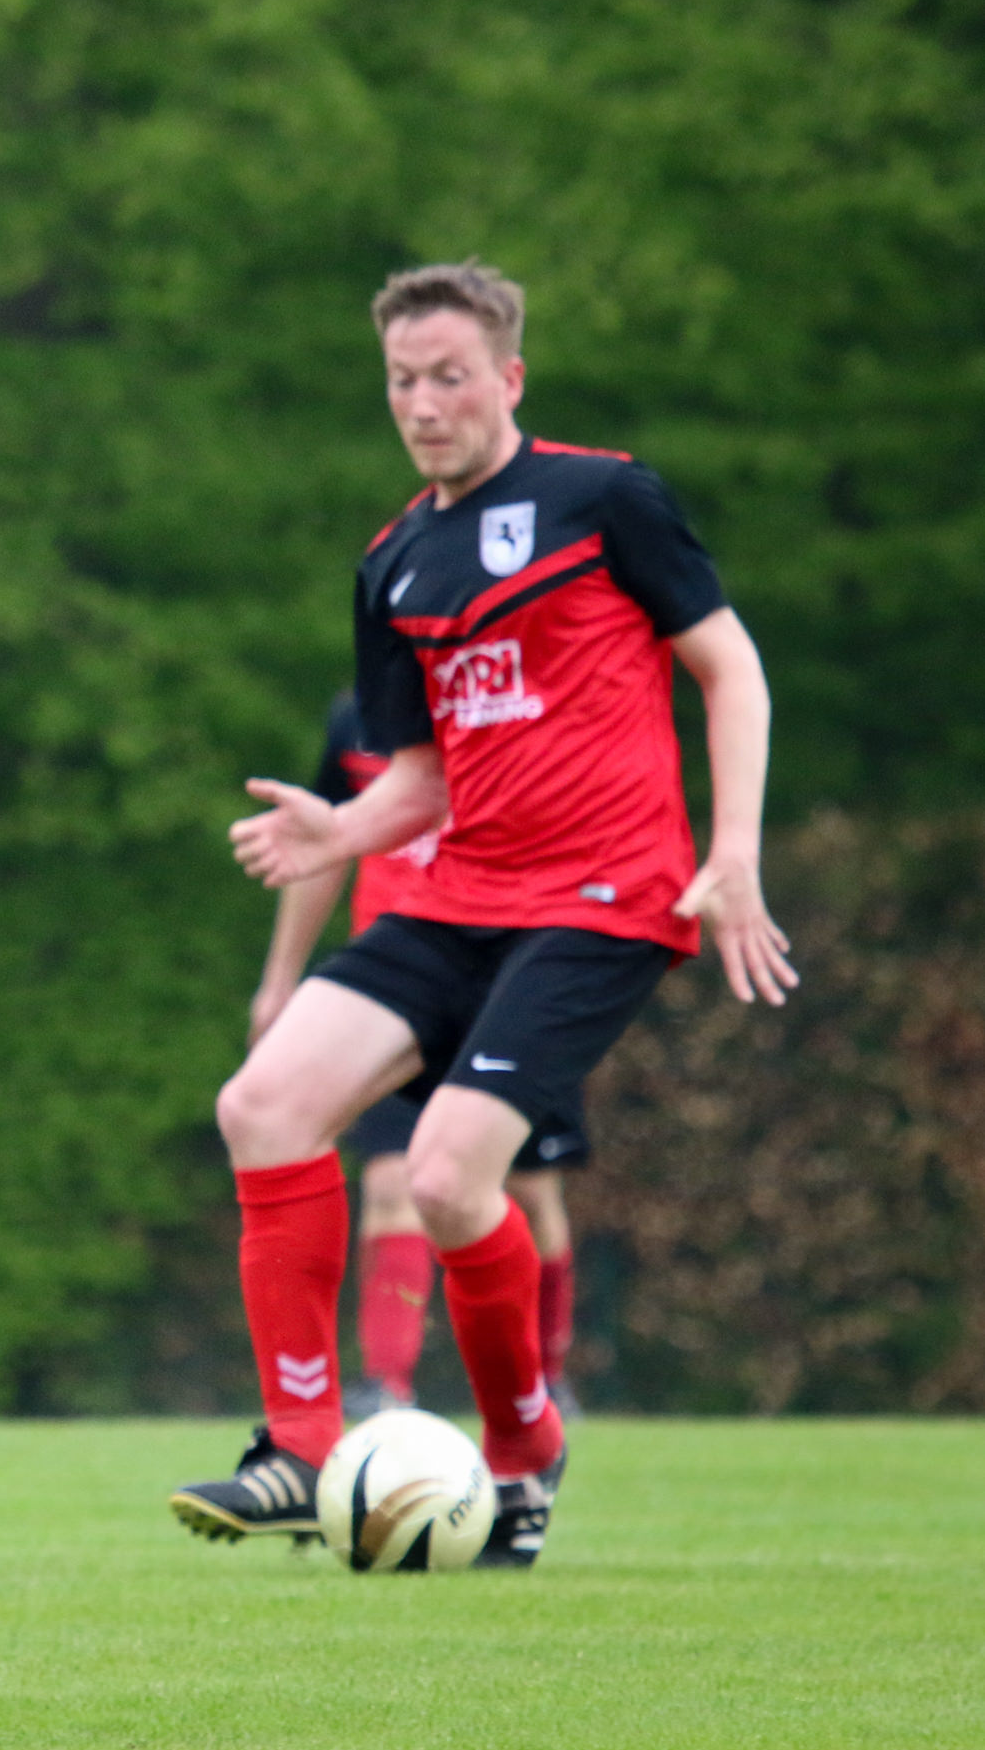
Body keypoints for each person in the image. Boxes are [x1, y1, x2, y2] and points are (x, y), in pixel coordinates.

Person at [173, 260, 795, 1569]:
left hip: (601, 898)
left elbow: (728, 666)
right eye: (401, 380)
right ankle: (298, 1445)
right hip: (458, 892)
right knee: (260, 1105)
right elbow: (421, 778)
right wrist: (338, 832)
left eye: (447, 376)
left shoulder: (603, 499)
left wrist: (732, 852)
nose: (422, 402)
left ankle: (521, 1448)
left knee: (448, 1176)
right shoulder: (392, 561)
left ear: (508, 377)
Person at [247, 691, 587, 1420]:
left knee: (526, 1192)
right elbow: (323, 846)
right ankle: (386, 1386)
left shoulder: (519, 702)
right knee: (391, 1182)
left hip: (509, 977)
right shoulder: (357, 717)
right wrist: (281, 981)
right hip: (394, 987)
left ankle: (544, 1382)